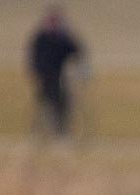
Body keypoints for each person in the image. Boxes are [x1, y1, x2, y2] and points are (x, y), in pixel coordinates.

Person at [26, 6, 87, 137]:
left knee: (62, 104)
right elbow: (33, 57)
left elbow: (76, 50)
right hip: (44, 76)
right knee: (43, 103)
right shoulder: (41, 38)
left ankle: (61, 130)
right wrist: (35, 72)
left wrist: (81, 68)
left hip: (59, 77)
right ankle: (39, 130)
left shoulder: (62, 38)